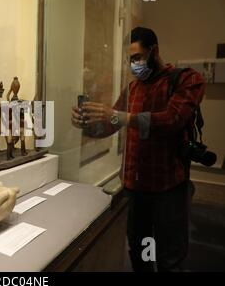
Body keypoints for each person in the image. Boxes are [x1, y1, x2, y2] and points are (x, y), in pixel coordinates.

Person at [71, 27, 206, 272]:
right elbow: (111, 125)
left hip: (169, 190)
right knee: (139, 254)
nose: (133, 65)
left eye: (137, 58)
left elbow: (172, 119)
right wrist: (86, 124)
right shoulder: (133, 88)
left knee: (170, 258)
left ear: (154, 51)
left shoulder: (187, 79)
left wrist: (119, 116)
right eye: (129, 60)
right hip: (136, 190)